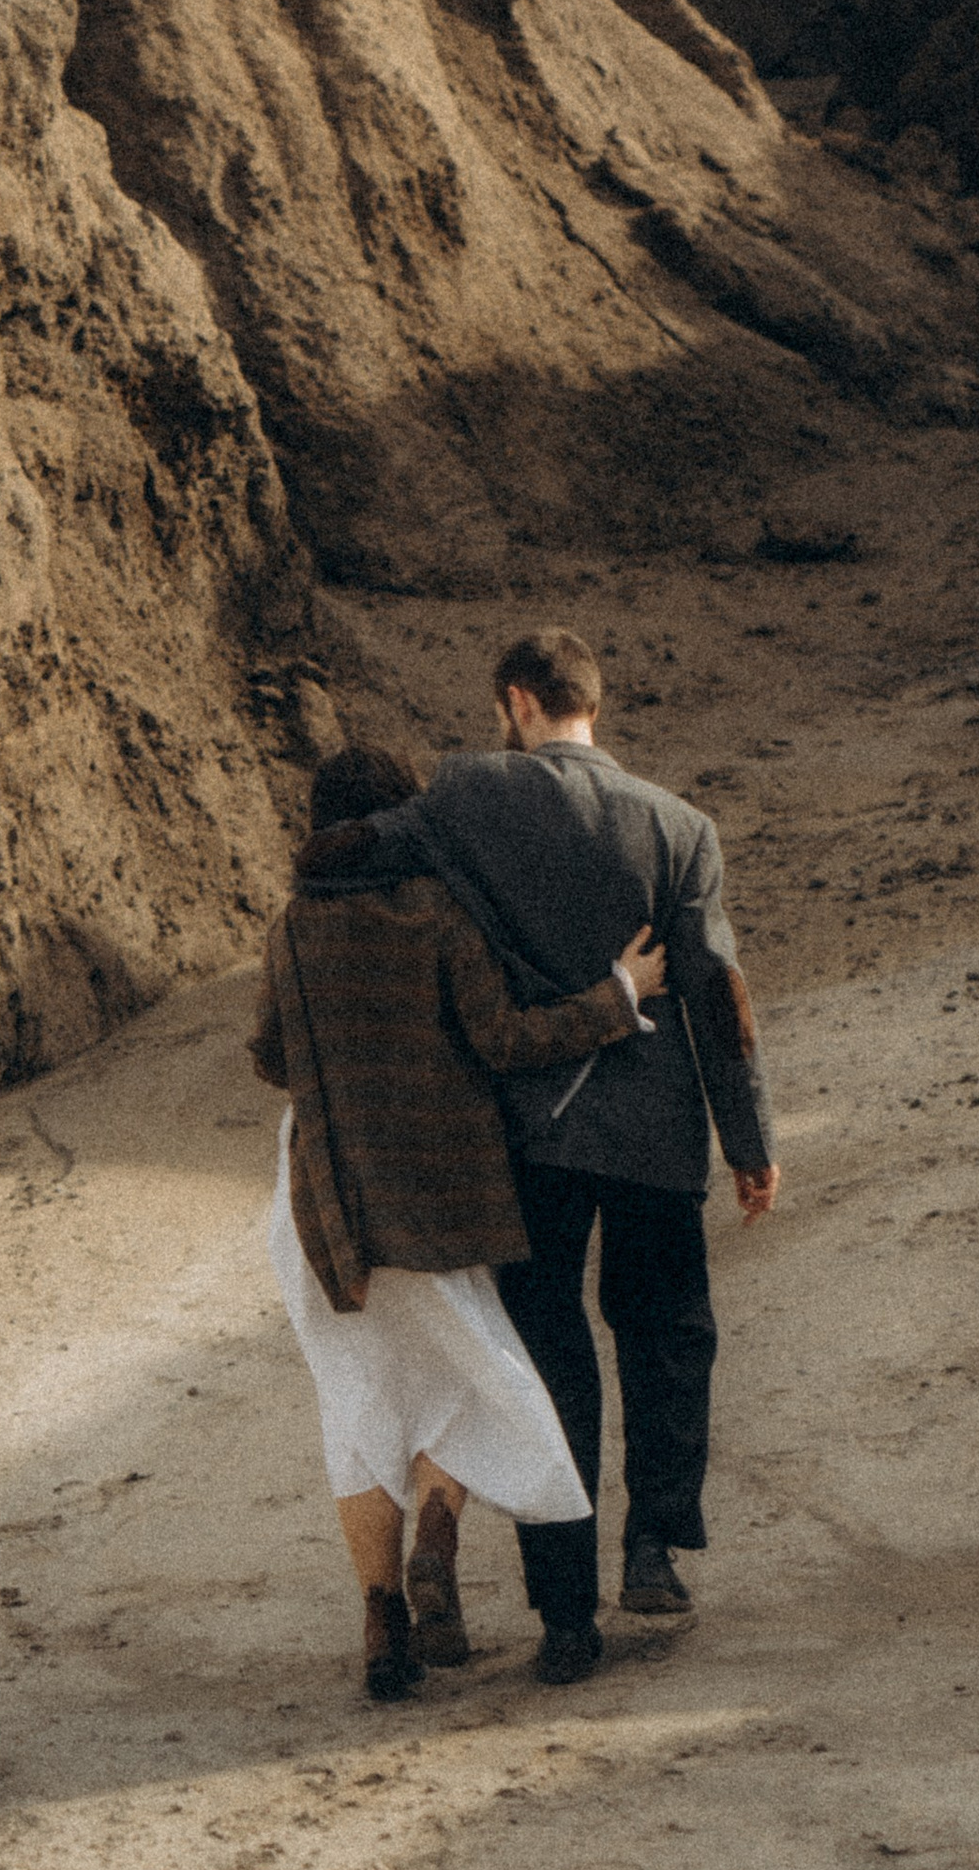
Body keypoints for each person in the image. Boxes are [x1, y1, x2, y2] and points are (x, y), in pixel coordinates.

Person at [291, 633, 778, 1688]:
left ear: (516, 701)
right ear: (592, 706)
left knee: (550, 1362)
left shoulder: (467, 798)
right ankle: (654, 1545)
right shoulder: (680, 827)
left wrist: (312, 869)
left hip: (534, 1138)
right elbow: (717, 996)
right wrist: (748, 1144)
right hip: (654, 1130)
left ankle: (566, 1620)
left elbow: (360, 847)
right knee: (664, 1331)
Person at [249, 743, 670, 1703]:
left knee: (357, 1405)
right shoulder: (434, 912)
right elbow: (504, 1039)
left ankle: (381, 1622)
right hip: (438, 1190)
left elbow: (272, 1055)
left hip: (322, 1198)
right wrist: (616, 998)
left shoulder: (292, 926)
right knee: (473, 1380)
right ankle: (438, 1535)